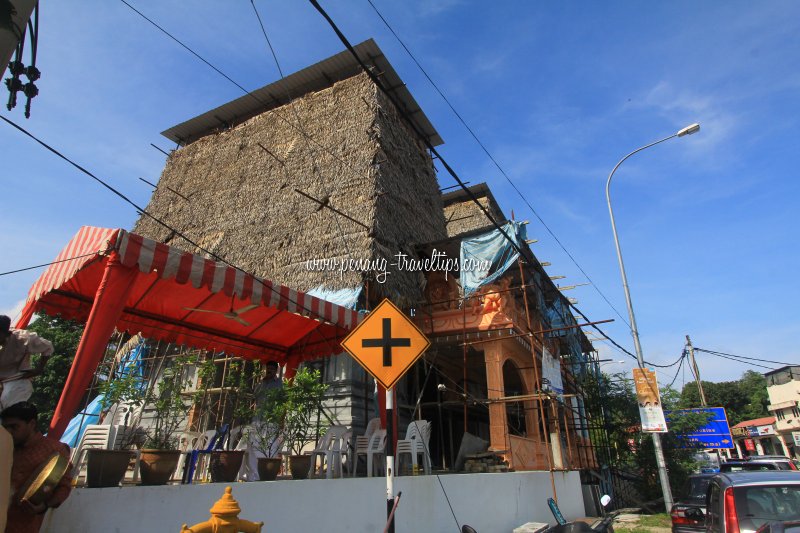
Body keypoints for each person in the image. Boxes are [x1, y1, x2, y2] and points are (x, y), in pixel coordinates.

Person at [2, 402, 72, 533]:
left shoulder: (55, 450)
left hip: (23, 524)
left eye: (14, 427)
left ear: (32, 424)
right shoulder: (4, 446)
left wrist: (44, 506)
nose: (9, 432)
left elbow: (64, 487)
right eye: (6, 428)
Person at [240, 361, 283, 481]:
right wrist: (263, 381)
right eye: (267, 369)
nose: (269, 371)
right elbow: (255, 396)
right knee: (253, 447)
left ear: (276, 371)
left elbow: (282, 399)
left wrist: (281, 420)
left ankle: (268, 472)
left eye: (272, 369)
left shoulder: (279, 383)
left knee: (270, 447)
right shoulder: (260, 383)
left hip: (271, 420)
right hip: (257, 419)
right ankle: (254, 475)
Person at [0, 316, 54, 410]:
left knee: (8, 405)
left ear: (6, 334)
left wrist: (39, 369)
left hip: (18, 380)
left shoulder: (22, 338)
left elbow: (48, 347)